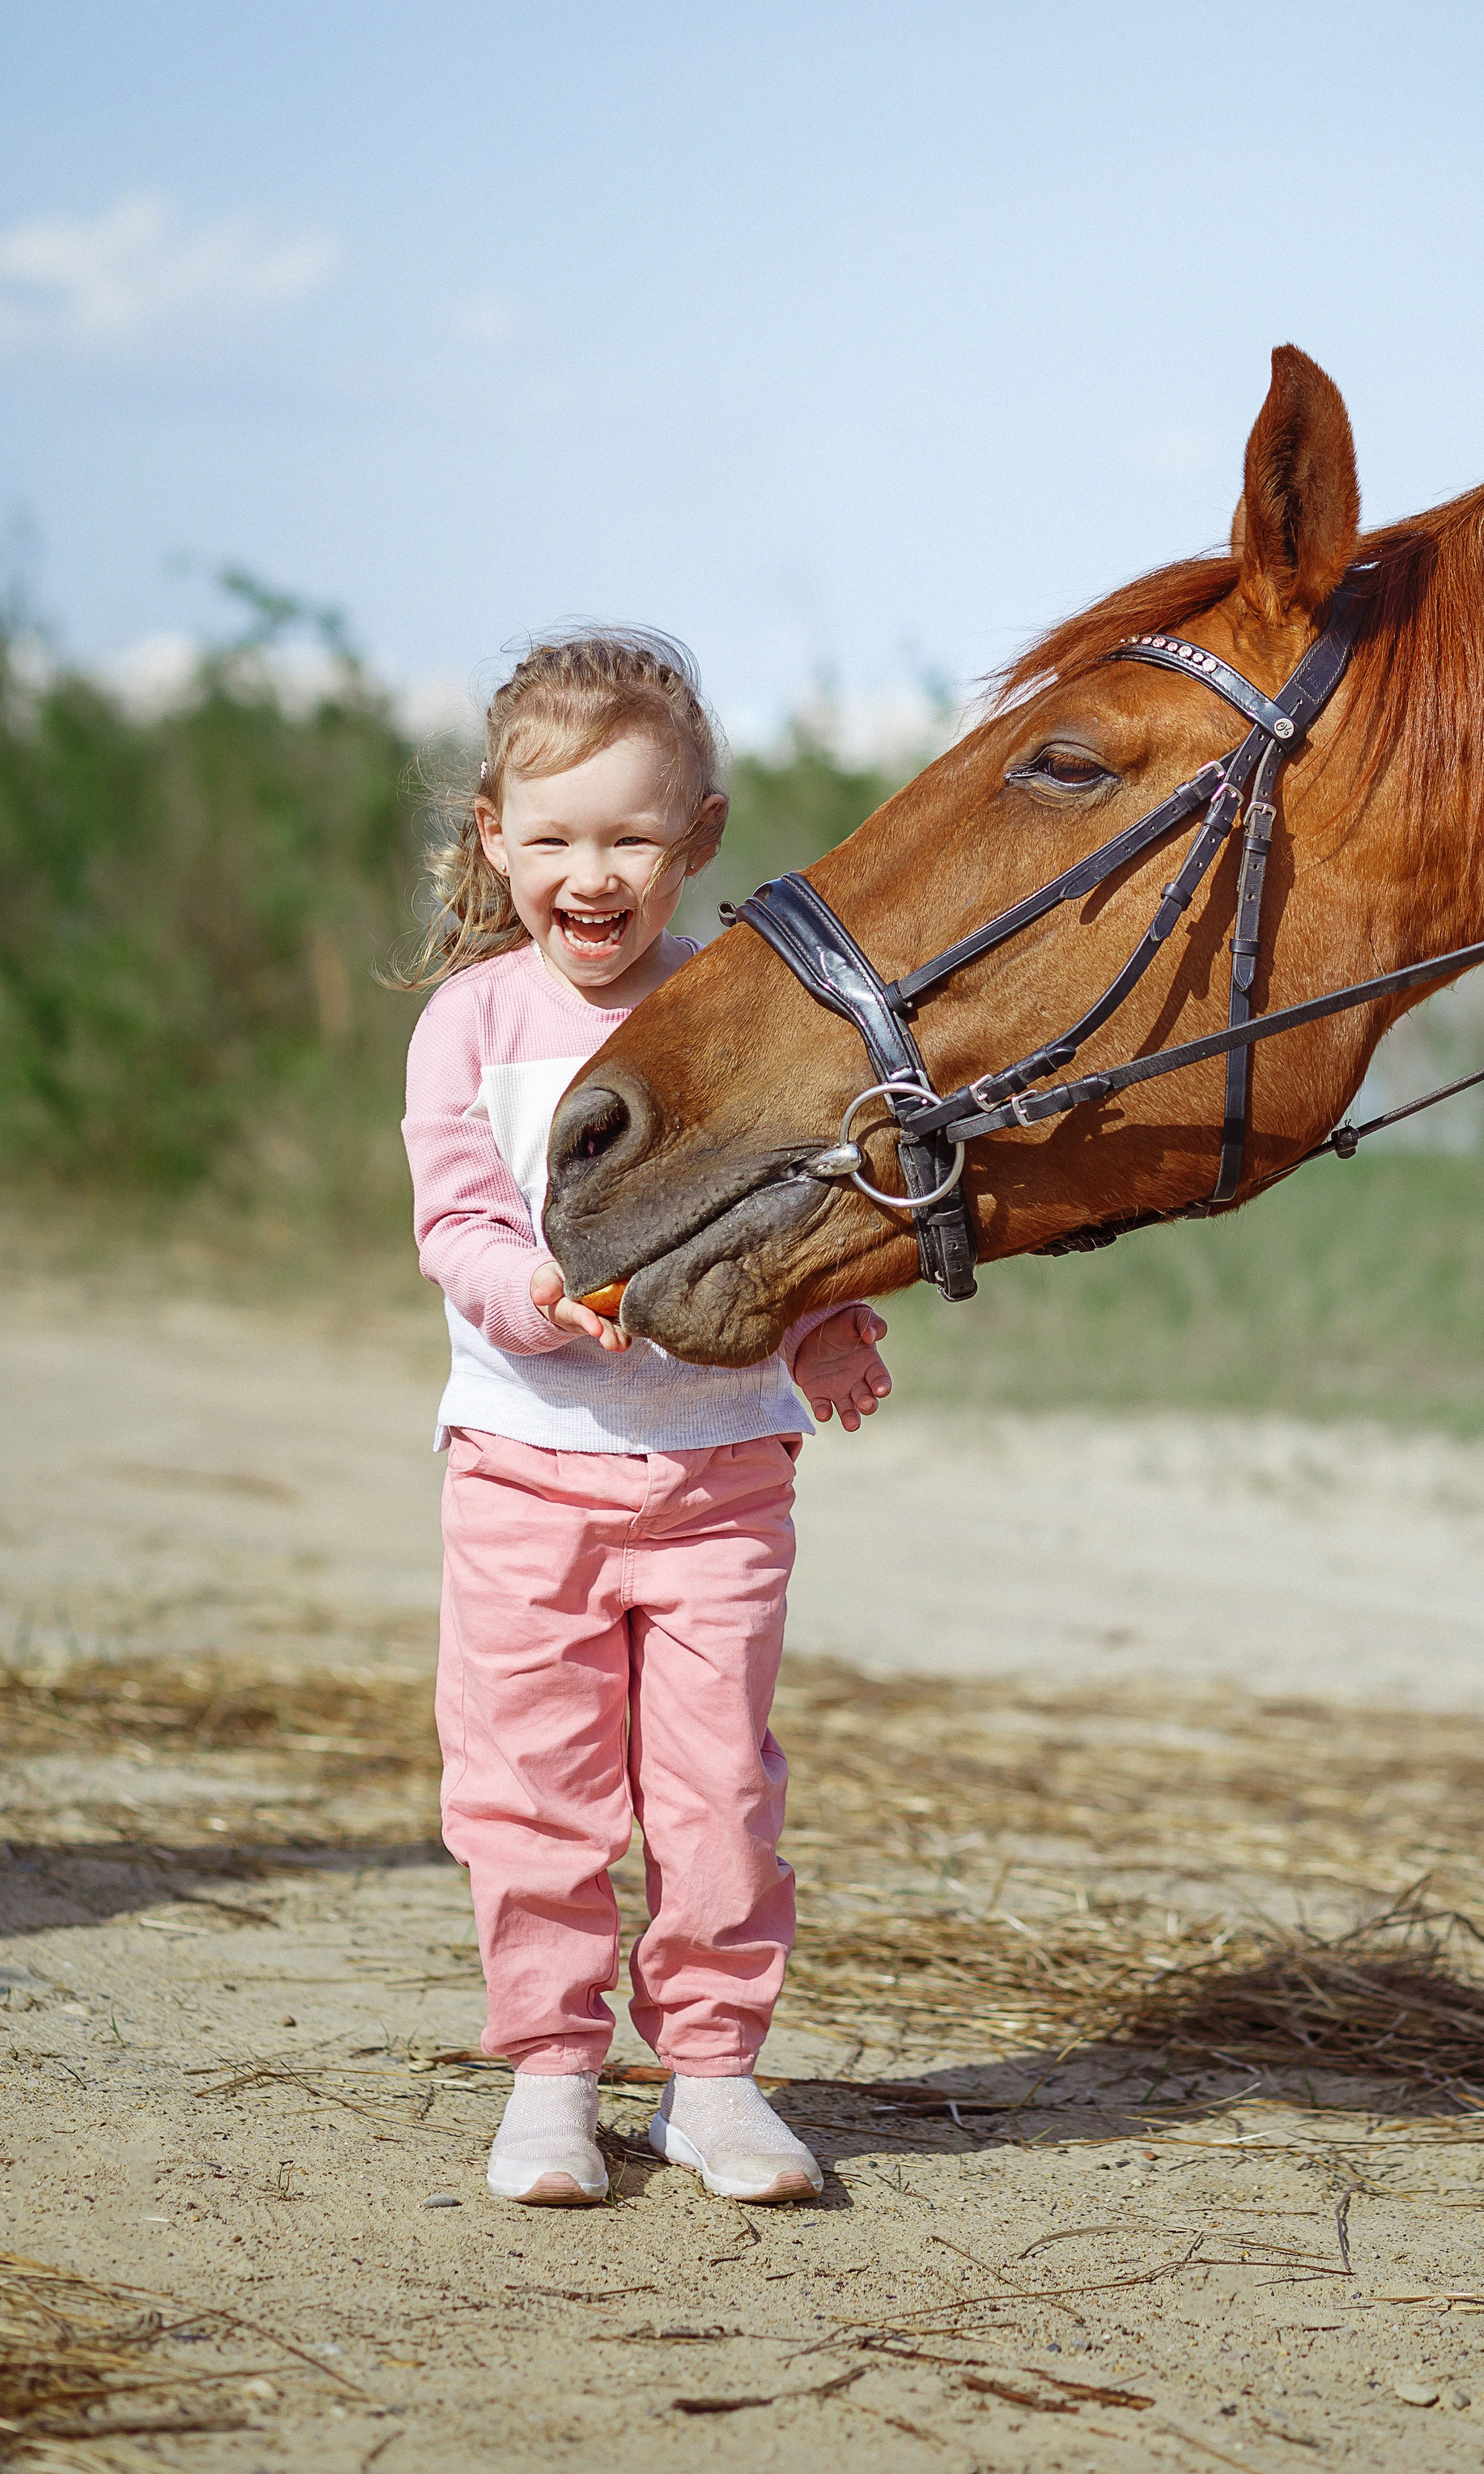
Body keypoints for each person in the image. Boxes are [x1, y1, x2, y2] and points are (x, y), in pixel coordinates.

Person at [399, 627, 891, 2207]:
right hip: (523, 1478)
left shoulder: (734, 1017)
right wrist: (524, 1295)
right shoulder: (470, 1027)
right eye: (551, 837)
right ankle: (550, 2078)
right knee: (531, 1788)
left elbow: (786, 1213)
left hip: (716, 1478)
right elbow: (457, 1221)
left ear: (698, 840)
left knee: (715, 1791)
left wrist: (823, 1329)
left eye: (627, 836)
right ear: (495, 839)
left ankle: (711, 2078)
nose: (589, 871)